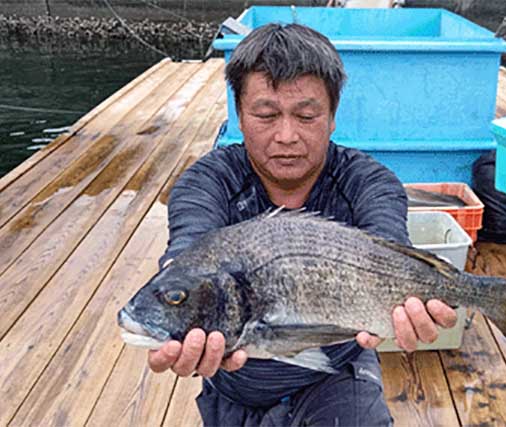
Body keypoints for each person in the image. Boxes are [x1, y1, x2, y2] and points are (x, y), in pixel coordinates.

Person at [147, 23, 458, 425]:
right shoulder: (207, 181)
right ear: (239, 115)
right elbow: (189, 246)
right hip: (234, 378)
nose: (287, 136)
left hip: (338, 371)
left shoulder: (369, 182)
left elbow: (389, 246)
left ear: (332, 117)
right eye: (266, 115)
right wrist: (173, 291)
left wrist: (415, 303)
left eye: (307, 115)